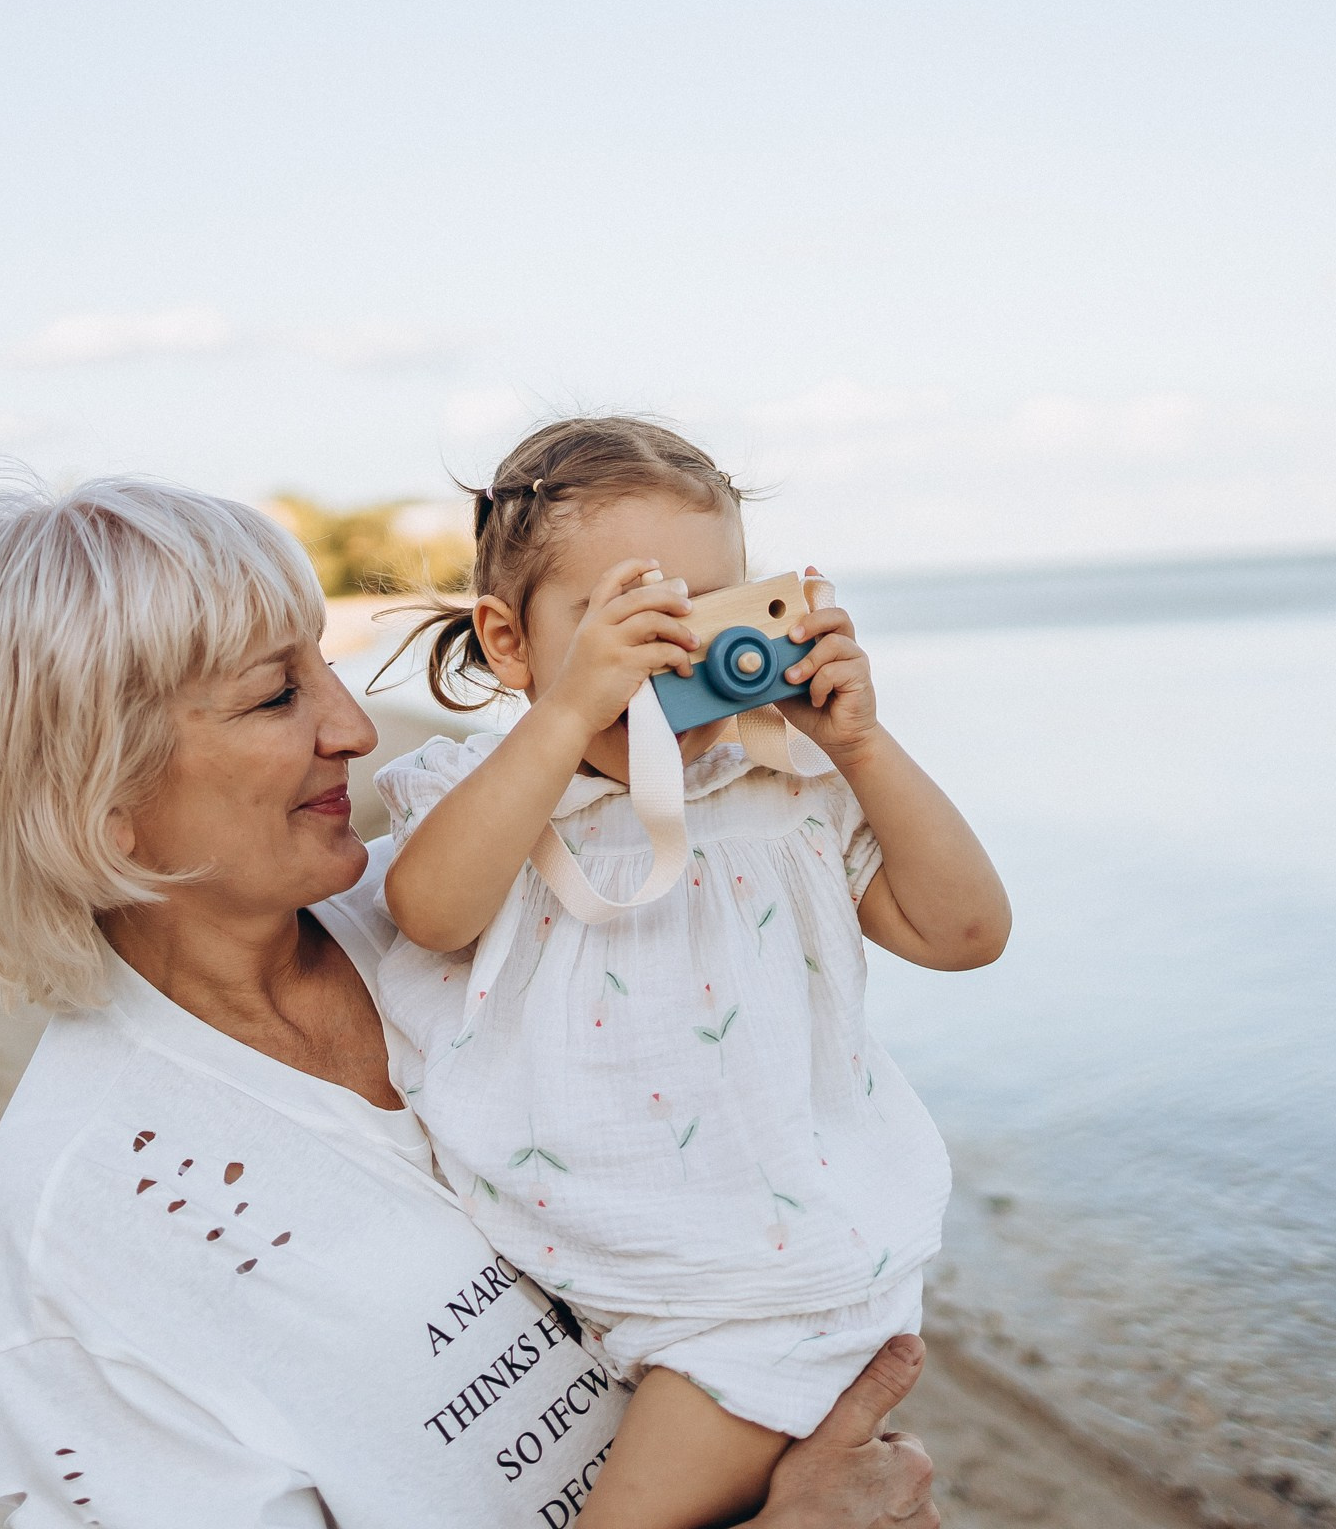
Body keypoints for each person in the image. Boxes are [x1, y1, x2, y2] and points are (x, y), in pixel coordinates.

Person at [0, 471, 945, 1528]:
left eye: (328, 665)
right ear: (99, 797)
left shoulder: (497, 899)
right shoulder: (82, 1217)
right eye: (276, 694)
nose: (354, 729)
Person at [377, 419, 1011, 1528]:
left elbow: (965, 933)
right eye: (630, 618)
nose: (674, 656)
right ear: (510, 642)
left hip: (768, 1286)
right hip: (596, 1260)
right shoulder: (486, 791)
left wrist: (862, 745)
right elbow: (430, 914)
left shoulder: (788, 787)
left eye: (708, 611)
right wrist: (574, 710)